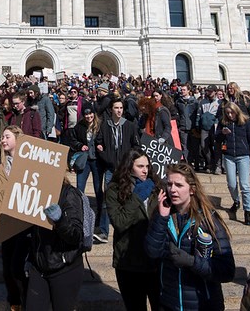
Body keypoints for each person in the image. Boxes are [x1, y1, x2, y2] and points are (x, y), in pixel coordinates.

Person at [144, 162, 235, 310]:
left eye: (179, 185)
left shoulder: (208, 220)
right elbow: (152, 252)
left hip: (202, 305)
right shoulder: (163, 215)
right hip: (169, 303)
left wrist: (192, 262)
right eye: (169, 184)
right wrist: (161, 217)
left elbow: (227, 271)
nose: (172, 189)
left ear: (192, 189)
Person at [25, 159, 85, 311]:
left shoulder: (69, 194)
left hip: (64, 267)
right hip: (39, 266)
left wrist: (60, 220)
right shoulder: (34, 192)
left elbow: (76, 235)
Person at [105, 148, 160, 311]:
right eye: (140, 166)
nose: (145, 170)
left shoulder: (156, 187)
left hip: (155, 261)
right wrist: (136, 197)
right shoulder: (114, 189)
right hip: (129, 262)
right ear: (129, 166)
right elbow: (120, 222)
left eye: (147, 166)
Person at [94, 98, 141, 243]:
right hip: (110, 168)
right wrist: (105, 155)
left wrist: (130, 161)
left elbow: (136, 145)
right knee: (107, 199)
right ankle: (103, 231)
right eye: (116, 108)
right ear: (111, 109)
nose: (119, 110)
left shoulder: (130, 125)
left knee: (128, 198)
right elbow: (98, 142)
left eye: (121, 108)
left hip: (125, 169)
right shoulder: (104, 125)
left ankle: (130, 229)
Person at [0, 125, 29, 311]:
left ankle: (26, 300)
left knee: (18, 266)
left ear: (18, 139)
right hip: (7, 222)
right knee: (7, 266)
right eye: (2, 137)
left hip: (25, 222)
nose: (3, 140)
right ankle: (14, 301)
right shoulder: (1, 164)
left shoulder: (28, 164)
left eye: (7, 137)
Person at [216, 102, 250, 225]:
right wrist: (221, 134)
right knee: (231, 183)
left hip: (243, 156)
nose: (230, 115)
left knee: (244, 185)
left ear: (236, 111)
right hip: (229, 156)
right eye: (227, 113)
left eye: (232, 112)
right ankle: (236, 200)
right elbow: (217, 139)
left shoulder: (245, 122)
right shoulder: (223, 123)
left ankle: (247, 211)